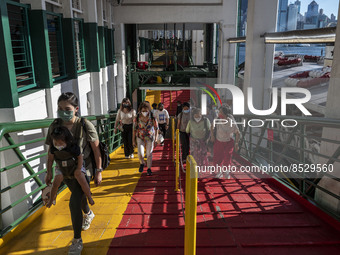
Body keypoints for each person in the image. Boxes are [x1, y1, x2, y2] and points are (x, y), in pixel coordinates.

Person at [45, 92, 102, 254]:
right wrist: (48, 172)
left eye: (67, 108)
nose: (63, 111)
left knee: (74, 201)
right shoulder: (55, 126)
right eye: (60, 108)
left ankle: (77, 240)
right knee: (80, 197)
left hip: (84, 169)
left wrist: (98, 171)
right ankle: (89, 213)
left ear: (76, 109)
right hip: (64, 170)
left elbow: (96, 150)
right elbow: (50, 152)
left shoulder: (85, 125)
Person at [46, 126, 94, 208]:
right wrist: (49, 172)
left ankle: (89, 196)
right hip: (61, 165)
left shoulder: (73, 147)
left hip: (75, 164)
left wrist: (79, 169)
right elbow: (50, 160)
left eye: (61, 143)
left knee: (81, 178)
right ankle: (51, 199)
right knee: (56, 181)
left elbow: (80, 157)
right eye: (55, 143)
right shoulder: (53, 148)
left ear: (67, 141)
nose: (58, 145)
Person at [210, 105, 240, 178]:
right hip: (218, 141)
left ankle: (226, 171)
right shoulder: (217, 119)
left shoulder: (231, 122)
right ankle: (219, 172)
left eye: (221, 112)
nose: (219, 113)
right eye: (219, 112)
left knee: (227, 156)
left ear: (225, 114)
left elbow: (238, 133)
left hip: (228, 141)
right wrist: (212, 136)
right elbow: (211, 127)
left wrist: (236, 144)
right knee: (218, 157)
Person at [133, 102, 158, 176]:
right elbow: (134, 129)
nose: (144, 112)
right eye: (143, 111)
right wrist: (133, 141)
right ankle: (142, 163)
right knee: (140, 153)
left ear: (149, 110)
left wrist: (156, 139)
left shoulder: (152, 117)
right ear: (140, 110)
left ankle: (149, 168)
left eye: (146, 111)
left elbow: (156, 128)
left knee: (149, 153)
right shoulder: (137, 117)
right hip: (140, 136)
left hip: (150, 137)